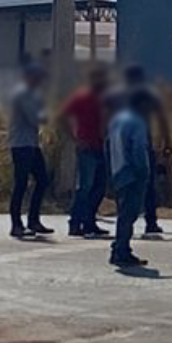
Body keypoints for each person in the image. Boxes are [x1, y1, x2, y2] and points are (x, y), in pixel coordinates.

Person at [59, 66, 110, 237]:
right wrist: (74, 137)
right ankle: (75, 222)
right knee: (84, 187)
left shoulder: (104, 98)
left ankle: (89, 221)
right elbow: (62, 116)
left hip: (101, 146)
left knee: (99, 187)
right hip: (87, 146)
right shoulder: (82, 97)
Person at [120, 65, 172, 235]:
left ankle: (125, 221)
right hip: (143, 142)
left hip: (121, 144)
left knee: (124, 183)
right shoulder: (149, 94)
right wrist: (167, 142)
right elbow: (162, 118)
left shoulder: (120, 94)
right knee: (148, 183)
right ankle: (150, 221)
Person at [106, 90, 153, 267]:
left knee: (123, 213)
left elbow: (107, 145)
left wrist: (111, 171)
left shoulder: (117, 120)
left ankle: (119, 248)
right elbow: (138, 149)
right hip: (132, 174)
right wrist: (144, 172)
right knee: (129, 215)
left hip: (118, 170)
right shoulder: (138, 122)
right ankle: (121, 250)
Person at [8, 64, 53, 238]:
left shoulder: (35, 94)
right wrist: (43, 115)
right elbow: (35, 118)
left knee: (42, 180)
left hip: (32, 143)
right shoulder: (22, 94)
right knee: (21, 183)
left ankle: (33, 220)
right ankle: (16, 224)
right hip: (21, 144)